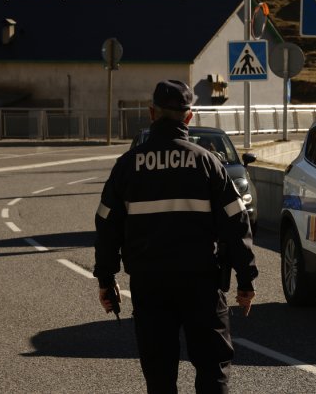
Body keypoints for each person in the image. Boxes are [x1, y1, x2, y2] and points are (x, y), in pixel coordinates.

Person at [94, 79, 258, 394]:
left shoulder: (128, 165)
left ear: (151, 112)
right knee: (213, 367)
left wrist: (106, 277)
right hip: (201, 283)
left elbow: (106, 224)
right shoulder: (207, 162)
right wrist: (246, 279)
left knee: (159, 374)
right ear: (189, 117)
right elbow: (236, 222)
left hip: (150, 284)